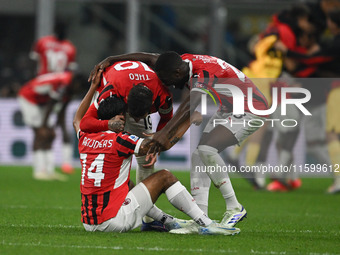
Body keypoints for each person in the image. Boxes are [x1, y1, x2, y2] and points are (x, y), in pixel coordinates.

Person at [89, 51, 269, 233]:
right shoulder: (184, 61)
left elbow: (190, 105)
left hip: (251, 108)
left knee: (207, 149)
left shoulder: (203, 74)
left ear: (177, 73)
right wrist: (112, 59)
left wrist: (163, 133)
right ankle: (201, 220)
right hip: (230, 107)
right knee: (199, 155)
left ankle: (234, 207)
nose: (170, 86)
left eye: (169, 81)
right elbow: (149, 57)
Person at [73, 68, 240, 235]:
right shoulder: (121, 140)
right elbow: (160, 145)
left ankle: (167, 221)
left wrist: (93, 87)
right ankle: (206, 223)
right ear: (120, 117)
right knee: (165, 176)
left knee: (127, 184)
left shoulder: (84, 137)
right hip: (114, 221)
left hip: (89, 223)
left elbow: (77, 120)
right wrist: (188, 121)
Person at [80, 61, 173, 227]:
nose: (135, 120)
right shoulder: (110, 92)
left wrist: (157, 143)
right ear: (127, 103)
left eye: (140, 116)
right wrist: (107, 124)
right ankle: (115, 199)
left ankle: (147, 219)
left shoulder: (162, 95)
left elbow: (166, 119)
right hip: (117, 92)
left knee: (146, 159)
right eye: (133, 115)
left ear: (151, 106)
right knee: (110, 149)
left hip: (133, 94)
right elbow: (85, 123)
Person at [30, 20, 77, 174]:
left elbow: (34, 62)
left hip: (43, 87)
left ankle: (41, 165)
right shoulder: (70, 47)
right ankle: (65, 163)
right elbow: (70, 71)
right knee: (61, 123)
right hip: (61, 88)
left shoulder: (43, 42)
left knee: (42, 125)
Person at [18, 71, 77, 181]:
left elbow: (60, 107)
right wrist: (44, 125)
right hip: (29, 98)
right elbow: (52, 101)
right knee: (40, 133)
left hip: (42, 101)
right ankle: (39, 171)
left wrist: (52, 126)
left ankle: (49, 171)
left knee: (50, 134)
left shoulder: (68, 82)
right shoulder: (64, 82)